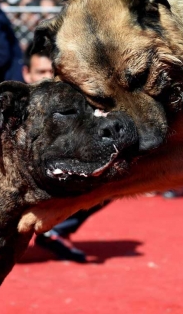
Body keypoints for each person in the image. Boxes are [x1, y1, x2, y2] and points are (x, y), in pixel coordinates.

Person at [21, 42, 107, 263]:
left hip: (56, 178)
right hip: (21, 184)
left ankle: (56, 230)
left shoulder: (75, 104)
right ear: (26, 74)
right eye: (41, 72)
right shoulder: (14, 105)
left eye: (52, 72)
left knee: (109, 174)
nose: (48, 78)